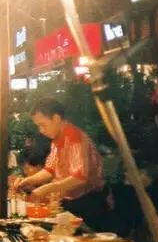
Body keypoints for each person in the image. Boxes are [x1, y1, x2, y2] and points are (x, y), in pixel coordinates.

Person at [15, 98, 111, 229]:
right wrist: (28, 181)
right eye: (38, 126)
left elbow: (80, 177)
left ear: (56, 118)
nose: (41, 130)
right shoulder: (57, 140)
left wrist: (47, 188)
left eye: (43, 125)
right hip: (72, 202)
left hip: (89, 202)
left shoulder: (74, 137)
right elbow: (49, 170)